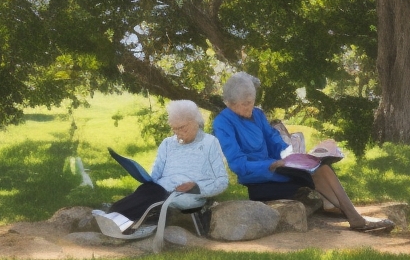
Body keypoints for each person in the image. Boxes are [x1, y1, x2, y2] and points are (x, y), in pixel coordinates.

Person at [213, 72, 394, 233]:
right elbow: (237, 164)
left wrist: (292, 152)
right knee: (317, 173)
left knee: (320, 165)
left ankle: (350, 214)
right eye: (244, 105)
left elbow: (273, 140)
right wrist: (271, 164)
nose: (249, 109)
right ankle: (353, 216)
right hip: (260, 181)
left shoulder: (258, 115)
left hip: (279, 169)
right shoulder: (223, 123)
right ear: (230, 103)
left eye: (251, 103)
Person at [94, 100, 229, 234]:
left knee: (154, 194)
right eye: (174, 128)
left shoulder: (209, 143)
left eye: (182, 128)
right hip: (162, 189)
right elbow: (156, 174)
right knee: (147, 189)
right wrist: (144, 176)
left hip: (189, 193)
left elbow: (222, 181)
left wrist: (195, 187)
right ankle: (116, 216)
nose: (178, 133)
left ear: (195, 122)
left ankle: (118, 218)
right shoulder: (168, 144)